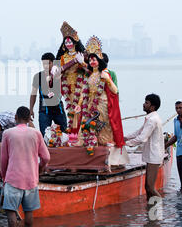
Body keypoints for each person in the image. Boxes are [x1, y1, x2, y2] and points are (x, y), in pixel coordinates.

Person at [76, 36, 129, 166]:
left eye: (95, 59)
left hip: (103, 105)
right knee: (87, 129)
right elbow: (84, 91)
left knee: (104, 132)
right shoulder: (88, 75)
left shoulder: (104, 74)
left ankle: (109, 160)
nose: (93, 61)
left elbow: (115, 91)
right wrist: (78, 105)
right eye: (91, 59)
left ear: (100, 60)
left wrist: (109, 80)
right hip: (89, 106)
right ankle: (88, 158)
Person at [0, 106, 50, 227]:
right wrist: (40, 167)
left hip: (13, 179)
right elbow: (46, 157)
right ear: (29, 119)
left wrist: (3, 176)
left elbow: (4, 159)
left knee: (11, 211)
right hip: (31, 179)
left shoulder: (7, 133)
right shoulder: (36, 133)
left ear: (16, 117)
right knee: (28, 211)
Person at [125, 94, 165, 201]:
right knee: (147, 187)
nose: (144, 104)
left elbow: (142, 138)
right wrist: (124, 138)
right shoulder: (150, 118)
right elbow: (138, 132)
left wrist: (125, 144)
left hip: (154, 156)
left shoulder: (152, 120)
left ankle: (160, 210)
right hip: (151, 155)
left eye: (146, 103)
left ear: (152, 107)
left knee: (150, 187)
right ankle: (151, 211)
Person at [55, 21, 88, 134]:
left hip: (81, 86)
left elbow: (89, 70)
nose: (68, 44)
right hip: (67, 87)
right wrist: (74, 61)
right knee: (70, 109)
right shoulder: (63, 57)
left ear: (75, 42)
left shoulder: (82, 54)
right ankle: (72, 133)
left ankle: (81, 133)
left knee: (80, 109)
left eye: (70, 41)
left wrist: (82, 62)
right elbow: (57, 72)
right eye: (66, 42)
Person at [30, 52, 67, 136]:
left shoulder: (60, 75)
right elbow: (33, 94)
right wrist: (31, 109)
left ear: (53, 63)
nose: (46, 66)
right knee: (45, 136)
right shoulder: (38, 76)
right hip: (44, 111)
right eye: (44, 64)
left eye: (48, 63)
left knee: (63, 134)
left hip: (58, 109)